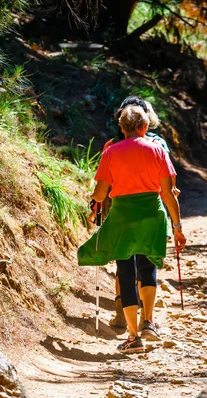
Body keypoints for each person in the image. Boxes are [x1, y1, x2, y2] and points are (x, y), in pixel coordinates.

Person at [77, 105, 186, 354]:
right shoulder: (158, 149)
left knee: (125, 271)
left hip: (123, 216)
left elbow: (101, 193)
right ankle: (149, 321)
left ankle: (133, 337)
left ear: (122, 128)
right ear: (145, 127)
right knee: (147, 266)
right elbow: (168, 193)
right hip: (152, 214)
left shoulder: (111, 152)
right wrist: (178, 228)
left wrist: (92, 198)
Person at [100, 97, 180, 329]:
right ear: (146, 120)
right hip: (150, 207)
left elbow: (104, 185)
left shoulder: (111, 146)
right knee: (146, 263)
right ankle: (148, 319)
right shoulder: (159, 144)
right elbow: (170, 185)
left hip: (119, 208)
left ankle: (121, 314)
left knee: (123, 263)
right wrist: (176, 222)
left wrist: (99, 205)